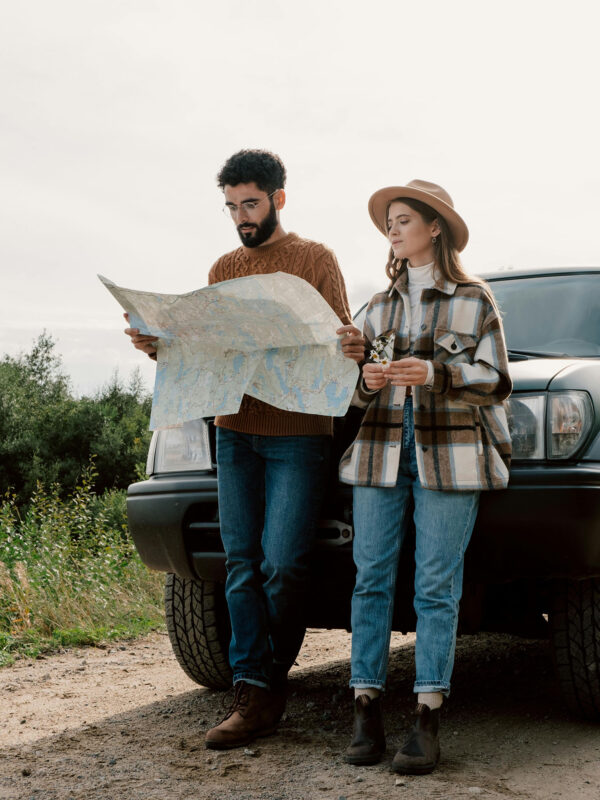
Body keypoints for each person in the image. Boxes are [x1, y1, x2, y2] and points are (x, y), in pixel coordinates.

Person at [125, 149, 364, 750]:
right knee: (240, 565)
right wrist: (161, 347)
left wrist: (344, 343)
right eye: (231, 206)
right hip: (235, 432)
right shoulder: (224, 265)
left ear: (279, 198)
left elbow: (335, 344)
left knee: (282, 565)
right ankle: (254, 690)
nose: (240, 216)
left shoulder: (315, 259)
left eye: (250, 203)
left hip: (300, 436)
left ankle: (268, 678)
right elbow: (207, 352)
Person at [338, 180, 512, 774]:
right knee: (370, 578)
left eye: (404, 218)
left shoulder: (473, 299)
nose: (393, 228)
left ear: (434, 227)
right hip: (380, 452)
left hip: (452, 453)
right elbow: (353, 398)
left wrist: (437, 374)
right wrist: (368, 381)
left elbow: (496, 380)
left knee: (436, 584)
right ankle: (365, 707)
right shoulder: (376, 307)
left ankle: (428, 713)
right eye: (389, 220)